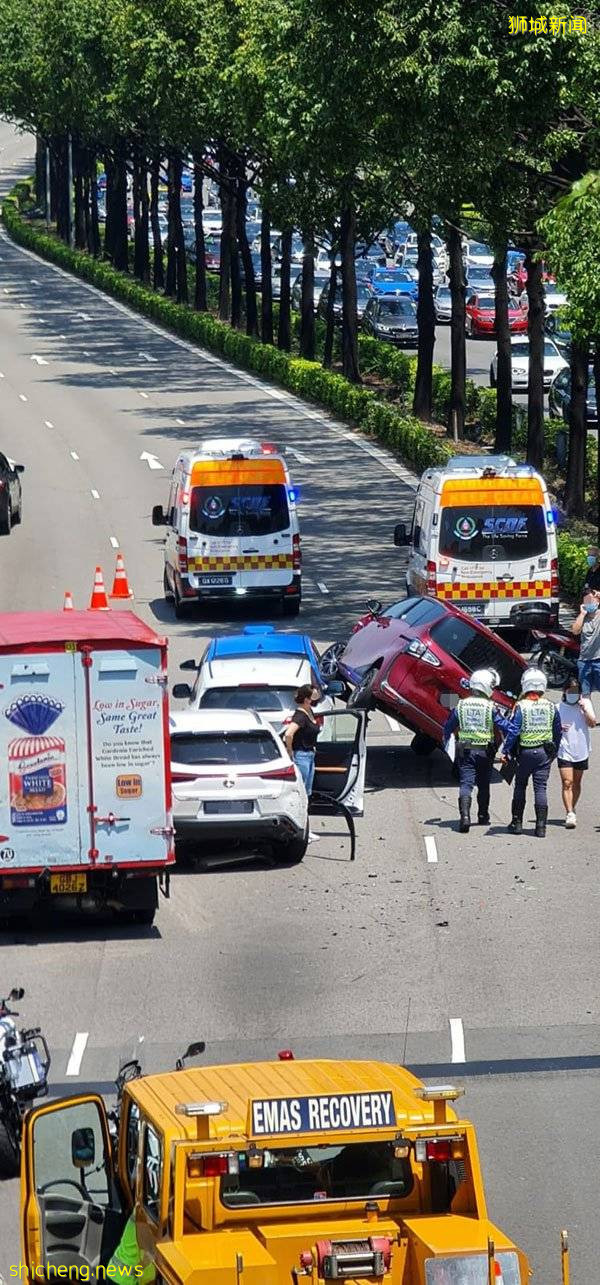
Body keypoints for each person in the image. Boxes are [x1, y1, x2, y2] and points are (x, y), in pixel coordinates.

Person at [443, 668, 505, 833]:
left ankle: (464, 817)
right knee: (483, 784)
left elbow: (448, 727)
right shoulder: (491, 707)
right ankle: (483, 815)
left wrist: (446, 742)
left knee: (466, 783)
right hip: (484, 749)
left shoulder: (460, 705)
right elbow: (504, 726)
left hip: (464, 748)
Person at [502, 667, 561, 837]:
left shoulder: (521, 706)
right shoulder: (551, 706)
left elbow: (513, 731)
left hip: (525, 754)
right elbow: (557, 731)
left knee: (520, 786)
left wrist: (506, 751)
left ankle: (517, 823)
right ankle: (541, 827)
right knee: (540, 788)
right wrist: (554, 752)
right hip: (544, 754)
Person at [557, 676, 596, 828]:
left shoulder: (585, 703)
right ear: (564, 691)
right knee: (567, 782)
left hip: (581, 749)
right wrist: (559, 728)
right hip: (564, 749)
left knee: (577, 783)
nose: (573, 694)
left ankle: (572, 807)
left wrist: (584, 710)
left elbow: (592, 723)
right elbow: (552, 729)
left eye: (576, 691)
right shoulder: (558, 708)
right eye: (570, 691)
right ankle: (569, 813)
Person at [108, 1213, 156, 1283]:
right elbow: (149, 1255)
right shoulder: (146, 1218)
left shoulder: (142, 1212)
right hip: (124, 1279)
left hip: (116, 1273)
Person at [572, 591, 600, 695]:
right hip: (584, 661)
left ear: (597, 601)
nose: (589, 603)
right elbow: (575, 631)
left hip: (598, 660)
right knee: (585, 694)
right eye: (587, 601)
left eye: (591, 600)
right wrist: (582, 614)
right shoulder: (583, 618)